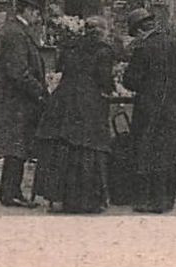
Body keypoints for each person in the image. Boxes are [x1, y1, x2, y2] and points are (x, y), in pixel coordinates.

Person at [33, 17, 116, 213]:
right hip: (88, 102)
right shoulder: (103, 50)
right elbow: (104, 79)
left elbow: (60, 69)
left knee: (63, 147)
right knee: (88, 148)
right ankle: (87, 200)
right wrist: (110, 88)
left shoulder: (70, 47)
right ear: (102, 31)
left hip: (64, 100)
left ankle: (60, 197)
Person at [120, 7, 176, 213]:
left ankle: (148, 201)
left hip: (151, 110)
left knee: (147, 153)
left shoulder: (143, 48)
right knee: (168, 153)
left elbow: (130, 81)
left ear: (139, 31)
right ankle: (165, 201)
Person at [0, 0, 48, 208]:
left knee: (17, 147)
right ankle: (10, 193)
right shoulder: (16, 33)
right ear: (27, 10)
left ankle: (11, 191)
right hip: (18, 101)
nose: (37, 17)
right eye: (35, 12)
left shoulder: (17, 30)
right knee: (16, 147)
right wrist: (39, 91)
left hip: (18, 100)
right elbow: (18, 72)